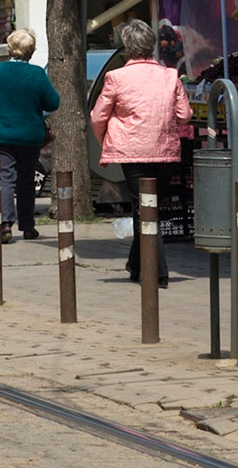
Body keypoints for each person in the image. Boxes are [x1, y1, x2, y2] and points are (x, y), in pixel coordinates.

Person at [91, 19, 193, 288]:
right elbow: (184, 116)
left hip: (132, 153)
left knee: (145, 211)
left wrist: (108, 140)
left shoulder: (116, 77)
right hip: (165, 151)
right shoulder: (170, 76)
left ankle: (158, 271)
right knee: (148, 207)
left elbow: (98, 116)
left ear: (127, 48)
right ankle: (136, 265)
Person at [0, 28, 60, 243]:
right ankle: (28, 226)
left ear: (9, 48)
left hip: (1, 135)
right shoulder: (37, 74)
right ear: (30, 51)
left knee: (6, 178)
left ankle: (5, 224)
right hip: (29, 136)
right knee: (26, 180)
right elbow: (53, 102)